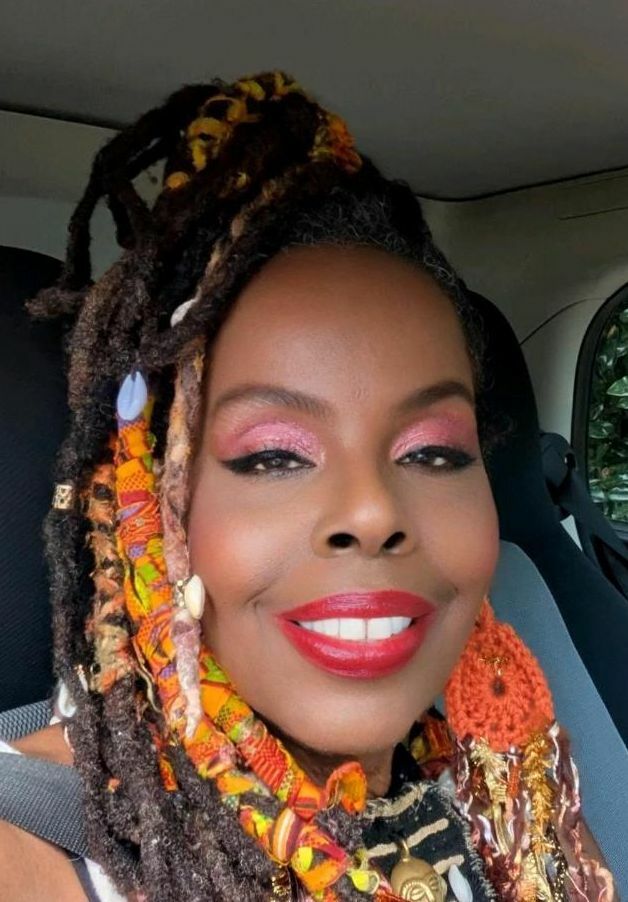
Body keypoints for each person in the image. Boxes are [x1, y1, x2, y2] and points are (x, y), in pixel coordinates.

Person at [0, 71, 615, 901]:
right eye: (273, 457)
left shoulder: (516, 797)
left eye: (434, 454)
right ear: (154, 511)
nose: (372, 511)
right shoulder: (29, 852)